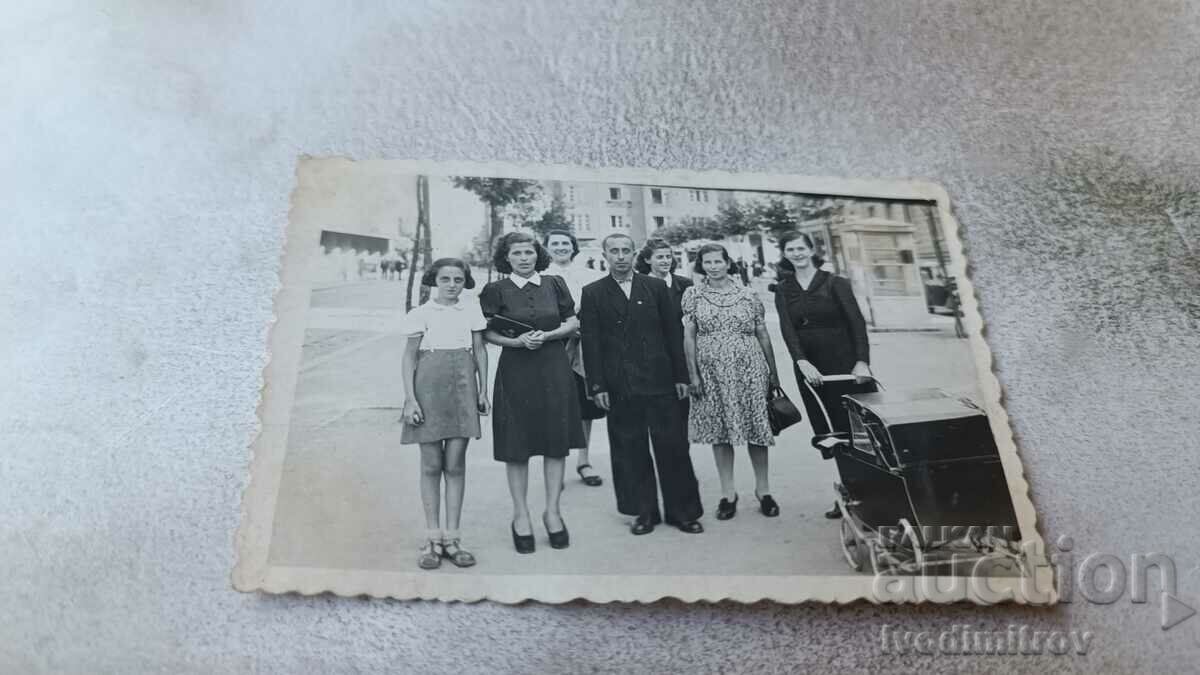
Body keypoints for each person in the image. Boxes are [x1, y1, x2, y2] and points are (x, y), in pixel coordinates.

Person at [579, 234, 704, 536]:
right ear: (605, 255)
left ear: (634, 254)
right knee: (629, 450)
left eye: (626, 251)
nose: (620, 256)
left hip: (661, 381)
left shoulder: (656, 287)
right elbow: (591, 343)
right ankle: (643, 512)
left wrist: (681, 377)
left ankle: (682, 512)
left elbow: (673, 335)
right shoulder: (593, 292)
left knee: (673, 447)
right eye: (614, 251)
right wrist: (597, 386)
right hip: (620, 386)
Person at [479, 232, 583, 554]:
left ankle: (552, 512)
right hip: (516, 372)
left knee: (556, 443)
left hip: (554, 369)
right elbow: (486, 332)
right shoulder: (495, 290)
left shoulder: (554, 283)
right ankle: (520, 514)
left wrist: (551, 334)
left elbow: (573, 321)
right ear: (506, 258)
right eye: (517, 253)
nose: (524, 258)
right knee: (517, 445)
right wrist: (516, 342)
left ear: (537, 255)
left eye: (529, 252)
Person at [771, 232, 875, 520]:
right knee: (832, 432)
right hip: (811, 369)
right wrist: (801, 362)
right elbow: (787, 330)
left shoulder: (835, 283)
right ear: (785, 253)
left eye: (801, 248)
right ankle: (849, 494)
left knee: (858, 429)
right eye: (790, 249)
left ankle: (873, 493)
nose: (797, 253)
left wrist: (862, 362)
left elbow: (856, 323)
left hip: (845, 365)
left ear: (810, 250)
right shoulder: (783, 288)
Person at [400, 258, 490, 570]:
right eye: (446, 279)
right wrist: (410, 399)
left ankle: (453, 538)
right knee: (430, 465)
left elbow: (480, 351)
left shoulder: (471, 311)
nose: (452, 285)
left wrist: (482, 390)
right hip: (428, 387)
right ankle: (432, 538)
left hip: (463, 386)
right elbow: (409, 358)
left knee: (455, 465)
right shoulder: (420, 314)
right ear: (433, 281)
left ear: (465, 282)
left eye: (458, 279)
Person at [682, 244, 781, 521]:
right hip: (711, 372)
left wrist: (773, 374)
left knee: (757, 428)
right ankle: (728, 493)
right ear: (701, 266)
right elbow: (689, 336)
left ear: (728, 263)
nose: (713, 266)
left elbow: (762, 333)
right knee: (720, 431)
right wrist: (693, 375)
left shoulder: (748, 294)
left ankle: (764, 490)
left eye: (718, 261)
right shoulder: (693, 294)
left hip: (750, 369)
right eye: (707, 262)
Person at [543, 229, 605, 488]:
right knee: (553, 406)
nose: (560, 247)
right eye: (554, 243)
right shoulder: (540, 277)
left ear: (573, 247)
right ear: (546, 248)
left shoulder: (591, 275)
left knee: (583, 406)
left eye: (565, 243)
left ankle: (584, 460)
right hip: (552, 346)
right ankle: (555, 465)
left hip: (584, 347)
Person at [634, 237, 693, 315]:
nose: (666, 261)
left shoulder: (685, 284)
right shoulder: (638, 285)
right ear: (647, 260)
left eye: (668, 257)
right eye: (660, 257)